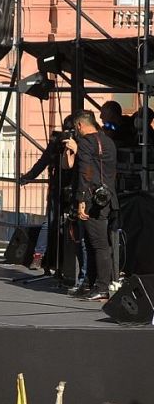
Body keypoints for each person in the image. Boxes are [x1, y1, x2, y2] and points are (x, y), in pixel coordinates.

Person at [62, 110, 117, 300]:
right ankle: (94, 284)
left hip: (92, 200)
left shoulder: (85, 142)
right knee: (97, 243)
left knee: (98, 244)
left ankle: (101, 287)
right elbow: (102, 168)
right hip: (108, 199)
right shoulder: (108, 141)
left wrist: (81, 201)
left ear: (79, 125)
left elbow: (85, 173)